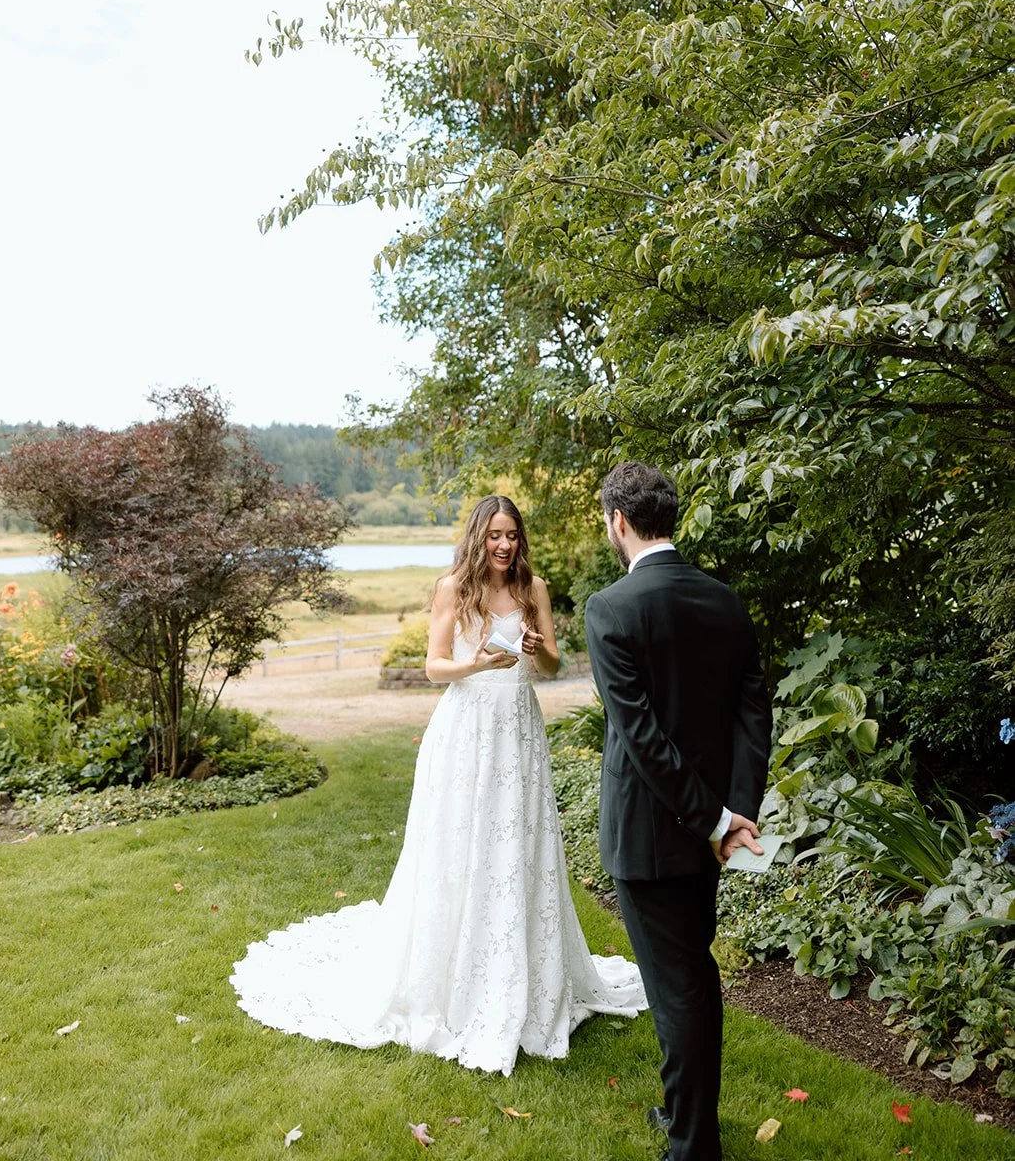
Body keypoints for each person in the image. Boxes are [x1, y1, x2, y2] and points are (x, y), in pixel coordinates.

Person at [231, 493, 646, 1075]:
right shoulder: (453, 587)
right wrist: (477, 661)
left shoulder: (536, 589)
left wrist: (534, 649)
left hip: (518, 732)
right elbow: (433, 667)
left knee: (517, 845)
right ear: (479, 535)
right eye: (495, 535)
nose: (505, 546)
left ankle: (522, 971)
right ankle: (450, 976)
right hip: (466, 728)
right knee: (457, 846)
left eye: (512, 536)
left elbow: (553, 664)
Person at [586, 463, 772, 1161]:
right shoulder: (723, 599)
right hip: (709, 834)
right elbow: (753, 712)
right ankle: (683, 1116)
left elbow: (641, 742)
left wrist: (717, 821)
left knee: (680, 991)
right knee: (688, 975)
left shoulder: (611, 608)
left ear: (619, 522)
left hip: (651, 835)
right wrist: (735, 813)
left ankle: (692, 1145)